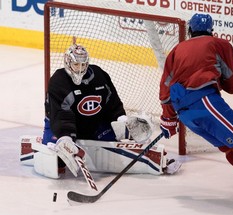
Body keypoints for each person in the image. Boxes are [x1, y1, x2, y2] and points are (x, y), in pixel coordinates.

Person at [159, 13, 233, 212]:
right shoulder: (219, 44)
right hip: (205, 102)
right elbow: (232, 85)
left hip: (185, 114)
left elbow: (165, 89)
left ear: (190, 30)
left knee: (229, 148)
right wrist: (219, 81)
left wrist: (168, 119)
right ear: (211, 30)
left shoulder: (177, 49)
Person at [19, 41, 181, 179]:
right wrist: (65, 137)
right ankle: (50, 144)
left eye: (83, 64)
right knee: (58, 159)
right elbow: (60, 114)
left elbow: (112, 102)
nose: (80, 68)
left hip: (94, 125)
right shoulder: (59, 81)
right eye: (76, 64)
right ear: (68, 63)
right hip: (61, 126)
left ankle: (138, 144)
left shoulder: (98, 75)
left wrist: (121, 119)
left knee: (115, 143)